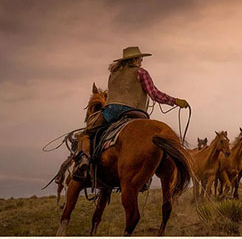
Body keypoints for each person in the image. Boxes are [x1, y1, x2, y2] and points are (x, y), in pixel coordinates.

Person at [74, 46, 189, 182]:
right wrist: (175, 101)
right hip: (134, 112)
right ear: (134, 59)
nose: (141, 60)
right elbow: (154, 94)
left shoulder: (113, 74)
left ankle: (84, 159)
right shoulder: (141, 73)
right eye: (140, 58)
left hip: (111, 112)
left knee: (88, 133)